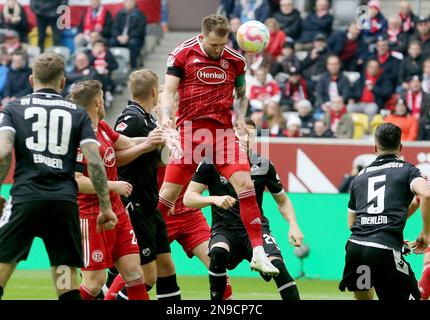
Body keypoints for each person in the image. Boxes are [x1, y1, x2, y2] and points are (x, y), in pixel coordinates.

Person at [157, 14, 279, 275]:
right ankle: (145, 242)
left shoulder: (236, 61)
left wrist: (241, 117)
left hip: (222, 134)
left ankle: (258, 252)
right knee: (167, 197)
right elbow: (168, 90)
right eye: (213, 45)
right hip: (190, 133)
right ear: (202, 37)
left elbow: (242, 95)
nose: (218, 50)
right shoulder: (181, 54)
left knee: (245, 184)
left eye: (222, 45)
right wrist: (167, 118)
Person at [0, 53, 117, 300]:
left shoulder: (14, 108)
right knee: (66, 281)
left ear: (31, 80)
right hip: (63, 205)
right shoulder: (78, 113)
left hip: (25, 200)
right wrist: (106, 206)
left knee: (2, 269)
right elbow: (95, 162)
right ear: (63, 82)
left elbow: (2, 154)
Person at [183, 118, 304, 300]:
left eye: (250, 133)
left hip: (256, 229)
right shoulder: (211, 161)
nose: (245, 137)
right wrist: (214, 199)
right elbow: (188, 198)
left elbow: (282, 201)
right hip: (224, 230)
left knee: (278, 266)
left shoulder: (262, 165)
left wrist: (293, 225)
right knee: (217, 253)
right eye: (240, 132)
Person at [71, 80, 157, 300]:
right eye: (102, 98)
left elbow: (126, 142)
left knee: (135, 274)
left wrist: (153, 140)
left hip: (117, 211)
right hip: (91, 216)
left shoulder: (101, 127)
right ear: (98, 102)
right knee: (93, 284)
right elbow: (77, 181)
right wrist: (112, 185)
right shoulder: (79, 137)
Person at [107, 70, 181, 300]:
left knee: (166, 267)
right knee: (146, 277)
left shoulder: (149, 120)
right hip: (134, 203)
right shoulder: (132, 118)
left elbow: (155, 157)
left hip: (150, 203)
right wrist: (146, 146)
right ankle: (109, 297)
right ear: (153, 92)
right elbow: (112, 156)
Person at [339, 122, 430, 300]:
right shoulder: (408, 170)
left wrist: (389, 230)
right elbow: (426, 194)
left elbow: (352, 223)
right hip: (383, 250)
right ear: (401, 147)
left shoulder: (360, 176)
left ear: (375, 147)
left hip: (355, 249)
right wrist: (425, 233)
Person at [109, 0, 147, 69]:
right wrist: (118, 36)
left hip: (133, 38)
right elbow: (114, 28)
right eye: (127, 1)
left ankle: (133, 66)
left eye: (130, 1)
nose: (128, 3)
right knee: (111, 42)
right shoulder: (120, 14)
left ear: (134, 3)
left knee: (133, 43)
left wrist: (128, 36)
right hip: (120, 38)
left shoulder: (140, 15)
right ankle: (112, 65)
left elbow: (140, 31)